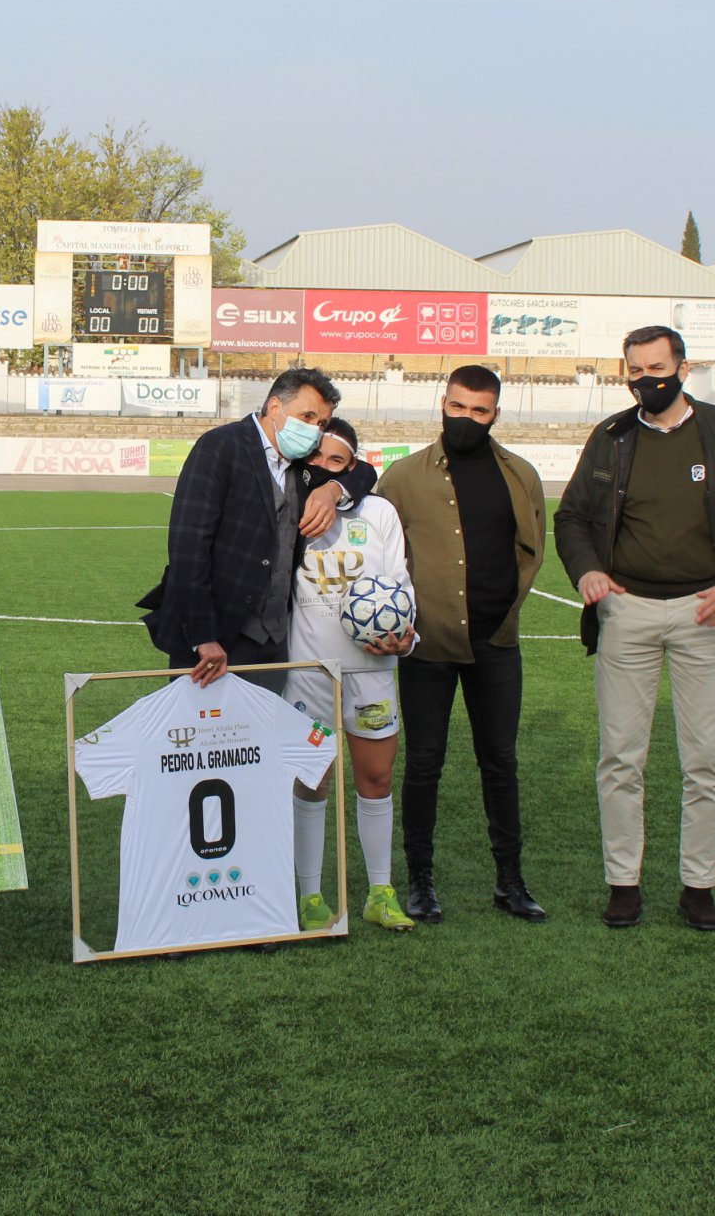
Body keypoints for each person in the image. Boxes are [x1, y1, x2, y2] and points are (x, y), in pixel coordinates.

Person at [554, 326, 715, 931]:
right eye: (635, 370)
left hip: (707, 615)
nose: (645, 380)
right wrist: (586, 572)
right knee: (620, 758)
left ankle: (698, 885)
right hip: (626, 613)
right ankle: (623, 883)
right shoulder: (610, 437)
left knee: (706, 761)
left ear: (683, 368)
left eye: (656, 368)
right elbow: (572, 518)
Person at [376, 364, 549, 925]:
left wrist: (507, 611)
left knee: (500, 762)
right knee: (424, 764)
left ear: (495, 413)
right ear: (442, 404)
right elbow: (377, 549)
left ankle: (510, 881)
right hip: (426, 645)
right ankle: (421, 882)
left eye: (480, 411)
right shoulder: (403, 477)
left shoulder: (520, 475)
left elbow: (531, 550)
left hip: (497, 643)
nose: (467, 419)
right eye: (458, 407)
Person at [139, 368, 376, 689]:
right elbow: (188, 548)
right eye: (306, 416)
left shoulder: (301, 459)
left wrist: (331, 490)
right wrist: (203, 637)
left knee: (264, 737)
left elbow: (362, 471)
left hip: (273, 642)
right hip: (215, 640)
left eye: (321, 423)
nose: (314, 430)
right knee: (206, 736)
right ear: (275, 408)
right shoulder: (219, 447)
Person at [281, 418, 419, 933]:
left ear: (353, 467)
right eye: (313, 458)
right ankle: (310, 895)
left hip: (372, 669)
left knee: (377, 779)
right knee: (311, 779)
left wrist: (408, 636)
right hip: (308, 672)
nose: (321, 467)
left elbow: (399, 585)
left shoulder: (379, 512)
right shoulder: (288, 507)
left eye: (335, 461)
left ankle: (379, 892)